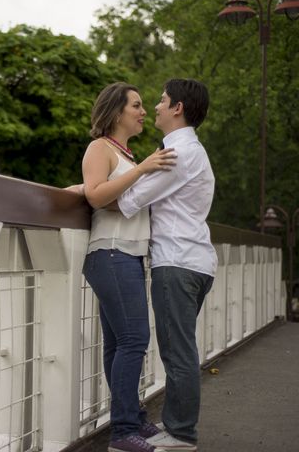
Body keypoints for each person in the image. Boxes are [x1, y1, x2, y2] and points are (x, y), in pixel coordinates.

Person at [71, 82, 177, 452]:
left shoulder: (125, 155)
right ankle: (122, 431)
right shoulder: (99, 147)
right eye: (137, 105)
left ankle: (130, 420)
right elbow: (97, 193)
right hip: (110, 253)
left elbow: (114, 195)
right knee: (135, 339)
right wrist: (145, 167)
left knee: (119, 343)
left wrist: (139, 168)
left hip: (127, 255)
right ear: (117, 111)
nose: (144, 111)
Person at [116, 78, 217, 452]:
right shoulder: (192, 150)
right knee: (180, 349)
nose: (155, 107)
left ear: (177, 108)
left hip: (176, 261)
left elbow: (130, 201)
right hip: (193, 260)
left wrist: (88, 190)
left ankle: (181, 433)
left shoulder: (176, 153)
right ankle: (177, 424)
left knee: (177, 351)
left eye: (160, 100)